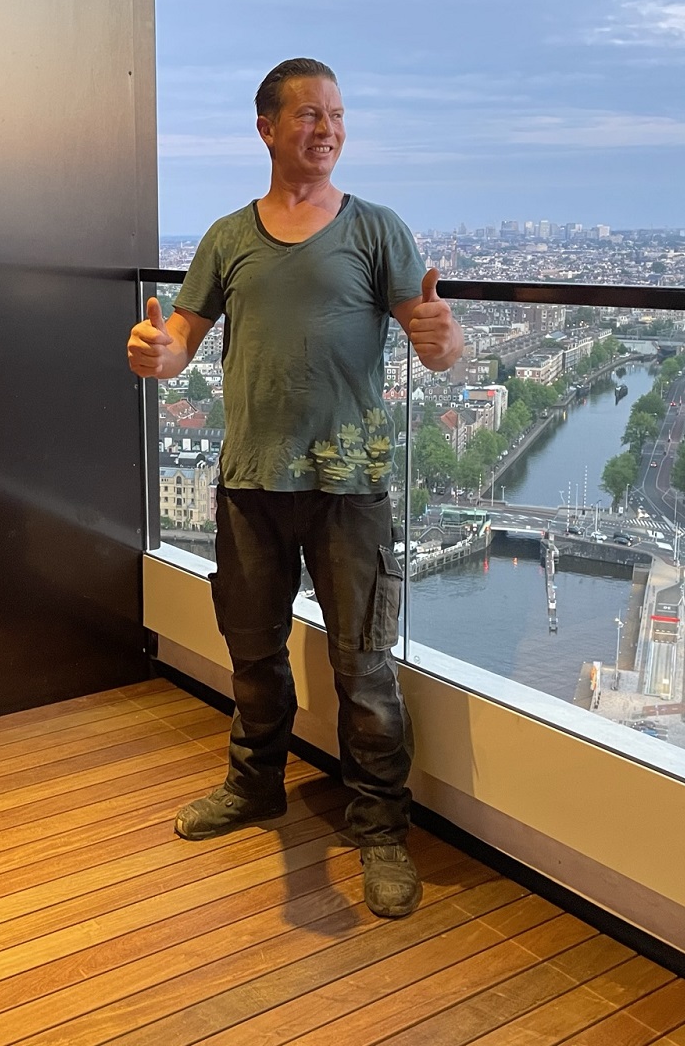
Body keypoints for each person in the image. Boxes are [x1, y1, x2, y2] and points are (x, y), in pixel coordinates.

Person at [126, 58, 463, 918]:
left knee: (364, 666)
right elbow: (180, 344)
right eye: (310, 114)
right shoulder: (227, 238)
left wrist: (443, 337)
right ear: (267, 128)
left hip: (351, 485)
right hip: (250, 480)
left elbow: (433, 343)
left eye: (337, 114)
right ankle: (256, 786)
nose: (329, 128)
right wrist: (157, 354)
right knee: (252, 652)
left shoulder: (378, 230)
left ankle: (380, 827)